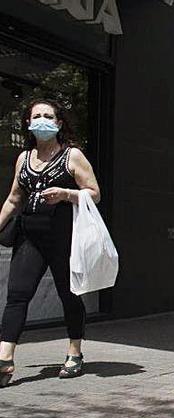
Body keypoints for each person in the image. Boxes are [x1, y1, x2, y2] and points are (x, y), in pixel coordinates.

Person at [0, 99, 101, 387]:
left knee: (69, 295)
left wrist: (66, 194)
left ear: (58, 124)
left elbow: (94, 193)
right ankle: (5, 359)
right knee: (17, 295)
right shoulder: (24, 158)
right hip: (29, 236)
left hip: (63, 238)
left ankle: (74, 352)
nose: (42, 120)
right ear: (29, 124)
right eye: (36, 116)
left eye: (48, 116)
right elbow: (13, 199)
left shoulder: (73, 156)